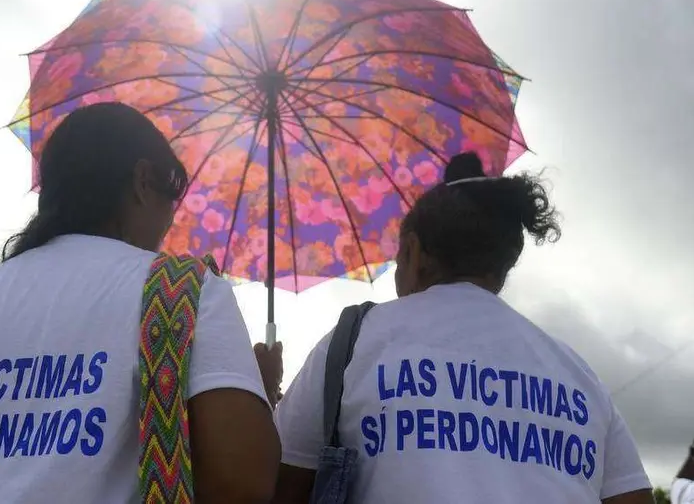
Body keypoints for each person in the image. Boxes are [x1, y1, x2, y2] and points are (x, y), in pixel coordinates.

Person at [0, 102, 280, 504]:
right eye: (169, 201)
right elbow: (240, 484)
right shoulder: (180, 292)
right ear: (142, 181)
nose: (167, 227)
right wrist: (249, 394)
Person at [272, 152, 654, 504]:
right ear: (503, 267)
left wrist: (261, 390)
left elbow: (276, 487)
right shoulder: (579, 376)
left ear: (412, 252)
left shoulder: (353, 343)